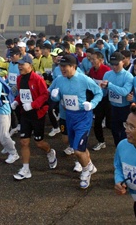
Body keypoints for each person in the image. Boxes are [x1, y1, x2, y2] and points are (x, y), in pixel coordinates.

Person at [49, 54, 103, 189]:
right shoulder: (59, 80)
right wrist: (54, 96)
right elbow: (52, 94)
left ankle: (85, 173)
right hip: (69, 117)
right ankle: (89, 165)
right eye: (60, 66)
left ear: (73, 66)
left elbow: (99, 92)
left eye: (65, 66)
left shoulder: (84, 79)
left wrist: (92, 104)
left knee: (78, 150)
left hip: (83, 117)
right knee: (76, 147)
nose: (62, 69)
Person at [11, 53, 56, 180]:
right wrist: (16, 101)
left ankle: (50, 152)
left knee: (39, 143)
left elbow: (44, 95)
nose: (19, 66)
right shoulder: (20, 79)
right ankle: (25, 169)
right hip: (25, 114)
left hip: (37, 114)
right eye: (18, 64)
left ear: (30, 66)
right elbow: (22, 94)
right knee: (24, 141)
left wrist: (32, 105)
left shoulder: (37, 79)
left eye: (22, 64)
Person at [100, 52, 134, 147]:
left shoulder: (128, 76)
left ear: (122, 62)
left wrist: (109, 85)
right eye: (112, 64)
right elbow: (104, 93)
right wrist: (100, 89)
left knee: (125, 132)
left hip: (125, 108)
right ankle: (118, 148)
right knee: (114, 130)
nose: (114, 67)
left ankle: (125, 149)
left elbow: (124, 92)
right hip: (113, 107)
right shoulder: (107, 74)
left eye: (116, 64)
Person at [87, 51, 111, 151]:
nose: (91, 61)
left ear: (101, 60)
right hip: (98, 100)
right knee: (97, 122)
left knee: (111, 124)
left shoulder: (107, 70)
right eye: (91, 59)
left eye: (94, 59)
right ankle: (101, 141)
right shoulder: (91, 70)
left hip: (108, 100)